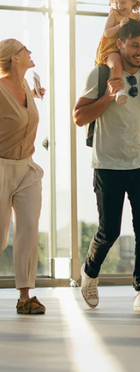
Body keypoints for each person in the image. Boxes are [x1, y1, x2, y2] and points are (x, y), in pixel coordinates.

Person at [73, 19, 140, 312]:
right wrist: (108, 98)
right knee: (109, 231)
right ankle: (89, 272)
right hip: (108, 165)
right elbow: (79, 116)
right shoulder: (101, 74)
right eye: (135, 45)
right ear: (121, 44)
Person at [0, 38, 46, 315]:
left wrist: (35, 93)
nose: (30, 51)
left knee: (28, 228)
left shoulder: (28, 88)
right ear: (14, 58)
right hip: (1, 166)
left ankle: (25, 296)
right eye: (24, 49)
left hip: (26, 168)